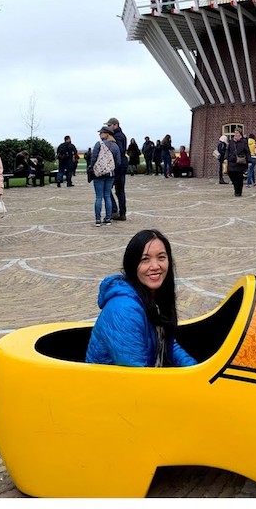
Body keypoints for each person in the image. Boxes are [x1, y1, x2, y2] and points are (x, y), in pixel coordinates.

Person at [85, 230, 197, 368]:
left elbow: (166, 344)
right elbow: (136, 374)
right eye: (145, 259)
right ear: (132, 264)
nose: (155, 266)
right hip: (112, 387)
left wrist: (194, 369)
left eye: (161, 257)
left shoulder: (154, 295)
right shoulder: (124, 310)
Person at [88, 126, 122, 226]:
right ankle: (108, 218)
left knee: (99, 196)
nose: (99, 134)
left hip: (98, 174)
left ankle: (98, 219)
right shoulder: (115, 146)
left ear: (106, 133)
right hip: (110, 174)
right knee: (107, 196)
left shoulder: (99, 144)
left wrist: (93, 168)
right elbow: (118, 162)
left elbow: (93, 159)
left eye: (101, 133)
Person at [107, 118, 129, 221]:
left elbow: (119, 151)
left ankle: (115, 210)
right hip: (122, 164)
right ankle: (122, 213)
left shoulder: (117, 136)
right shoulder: (122, 135)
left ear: (115, 125)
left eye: (109, 125)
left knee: (107, 188)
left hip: (118, 166)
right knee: (120, 190)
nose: (108, 127)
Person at [225, 129, 248, 196]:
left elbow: (247, 151)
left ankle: (238, 191)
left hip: (240, 161)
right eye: (235, 133)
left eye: (237, 133)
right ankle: (236, 187)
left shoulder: (244, 141)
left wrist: (249, 161)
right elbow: (227, 150)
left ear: (240, 134)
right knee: (231, 173)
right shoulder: (231, 141)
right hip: (232, 161)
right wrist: (226, 158)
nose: (235, 134)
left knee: (239, 177)